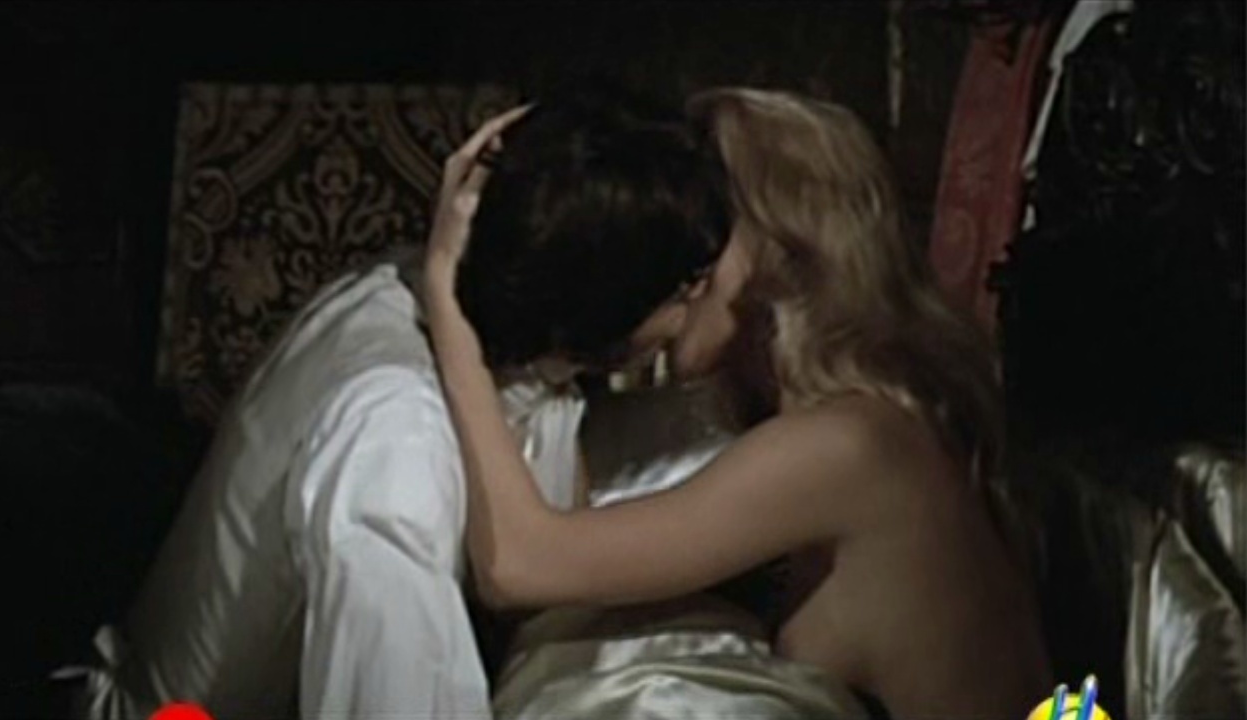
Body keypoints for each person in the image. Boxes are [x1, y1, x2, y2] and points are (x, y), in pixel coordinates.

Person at [65, 87, 730, 719]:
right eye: (681, 290)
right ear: (601, 303)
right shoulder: (394, 435)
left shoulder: (471, 303)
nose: (695, 307)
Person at [424, 88, 1054, 720]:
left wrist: (448, 301)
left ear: (780, 244)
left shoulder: (847, 444)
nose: (672, 255)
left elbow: (519, 566)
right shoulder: (883, 414)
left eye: (702, 227)